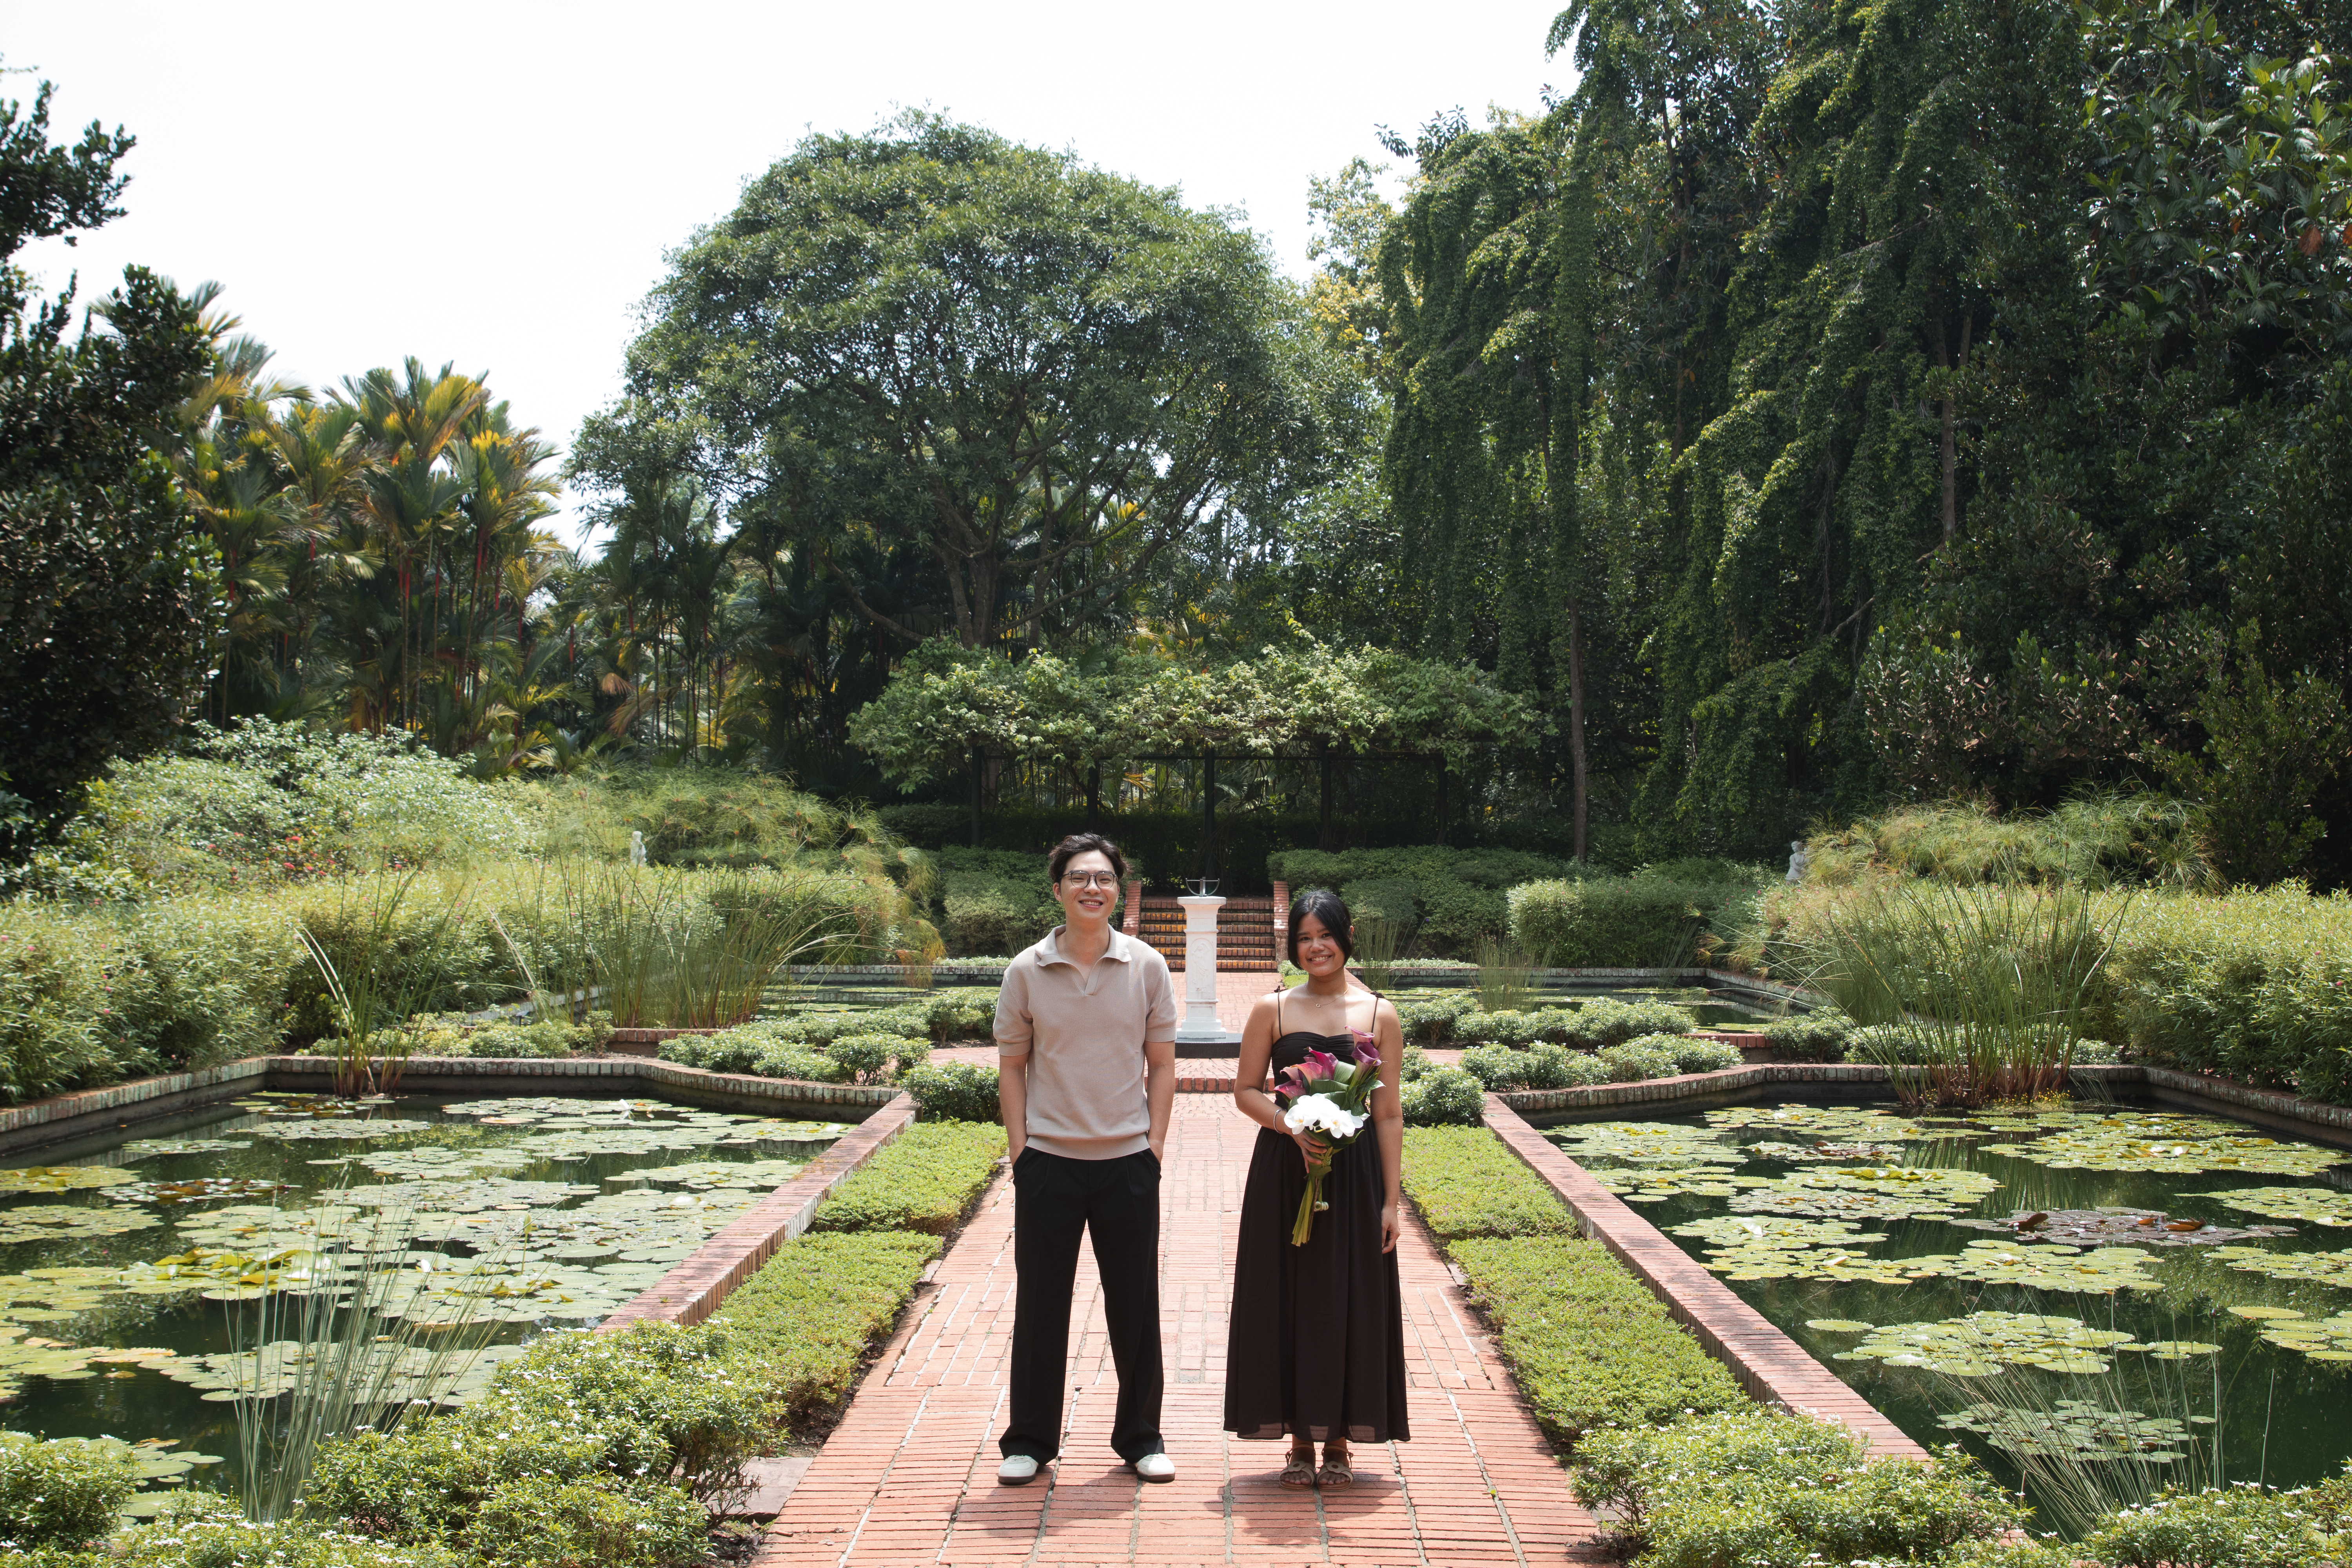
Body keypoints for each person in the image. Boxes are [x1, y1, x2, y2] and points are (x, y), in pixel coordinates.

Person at [994, 833, 1179, 1485]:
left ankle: (1142, 1438)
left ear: (1118, 891)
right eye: (1079, 878)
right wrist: (1021, 1151)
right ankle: (1029, 1440)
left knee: (1135, 1303)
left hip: (1128, 1162)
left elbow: (1162, 1067)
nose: (1091, 888)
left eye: (1103, 878)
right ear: (1058, 890)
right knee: (1041, 1304)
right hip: (1048, 1162)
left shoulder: (1147, 967)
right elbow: (1012, 1067)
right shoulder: (1026, 971)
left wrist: (1153, 1146)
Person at [1222, 887, 1409, 1486]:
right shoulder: (1271, 1010)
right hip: (1285, 1170)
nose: (1315, 947)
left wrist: (1390, 1201)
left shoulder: (1380, 1013)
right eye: (1303, 938)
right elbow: (1246, 1090)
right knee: (1288, 1296)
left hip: (1353, 1178)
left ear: (1345, 936)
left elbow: (1387, 1113)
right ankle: (1300, 1441)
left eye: (1324, 934)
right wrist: (1291, 1124)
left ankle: (1339, 1443)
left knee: (1345, 1298)